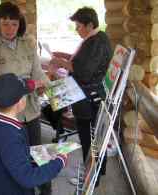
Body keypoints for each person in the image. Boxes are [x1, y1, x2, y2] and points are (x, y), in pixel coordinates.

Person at [0, 3, 51, 193]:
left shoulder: (28, 42)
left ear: (20, 24)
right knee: (16, 159)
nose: (10, 29)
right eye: (5, 24)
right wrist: (28, 85)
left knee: (40, 155)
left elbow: (38, 72)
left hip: (31, 111)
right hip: (7, 115)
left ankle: (46, 190)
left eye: (14, 24)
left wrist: (45, 86)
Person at [49, 7, 112, 182]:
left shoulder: (96, 42)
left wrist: (59, 62)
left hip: (87, 96)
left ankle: (91, 177)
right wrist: (64, 60)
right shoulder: (94, 39)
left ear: (90, 24)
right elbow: (82, 61)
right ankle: (98, 170)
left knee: (88, 137)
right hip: (85, 92)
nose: (76, 30)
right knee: (94, 136)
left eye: (78, 26)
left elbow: (83, 71)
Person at [0, 73, 68, 195]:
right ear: (19, 103)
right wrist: (60, 161)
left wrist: (41, 153)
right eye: (25, 95)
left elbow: (11, 155)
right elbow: (28, 178)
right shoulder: (10, 136)